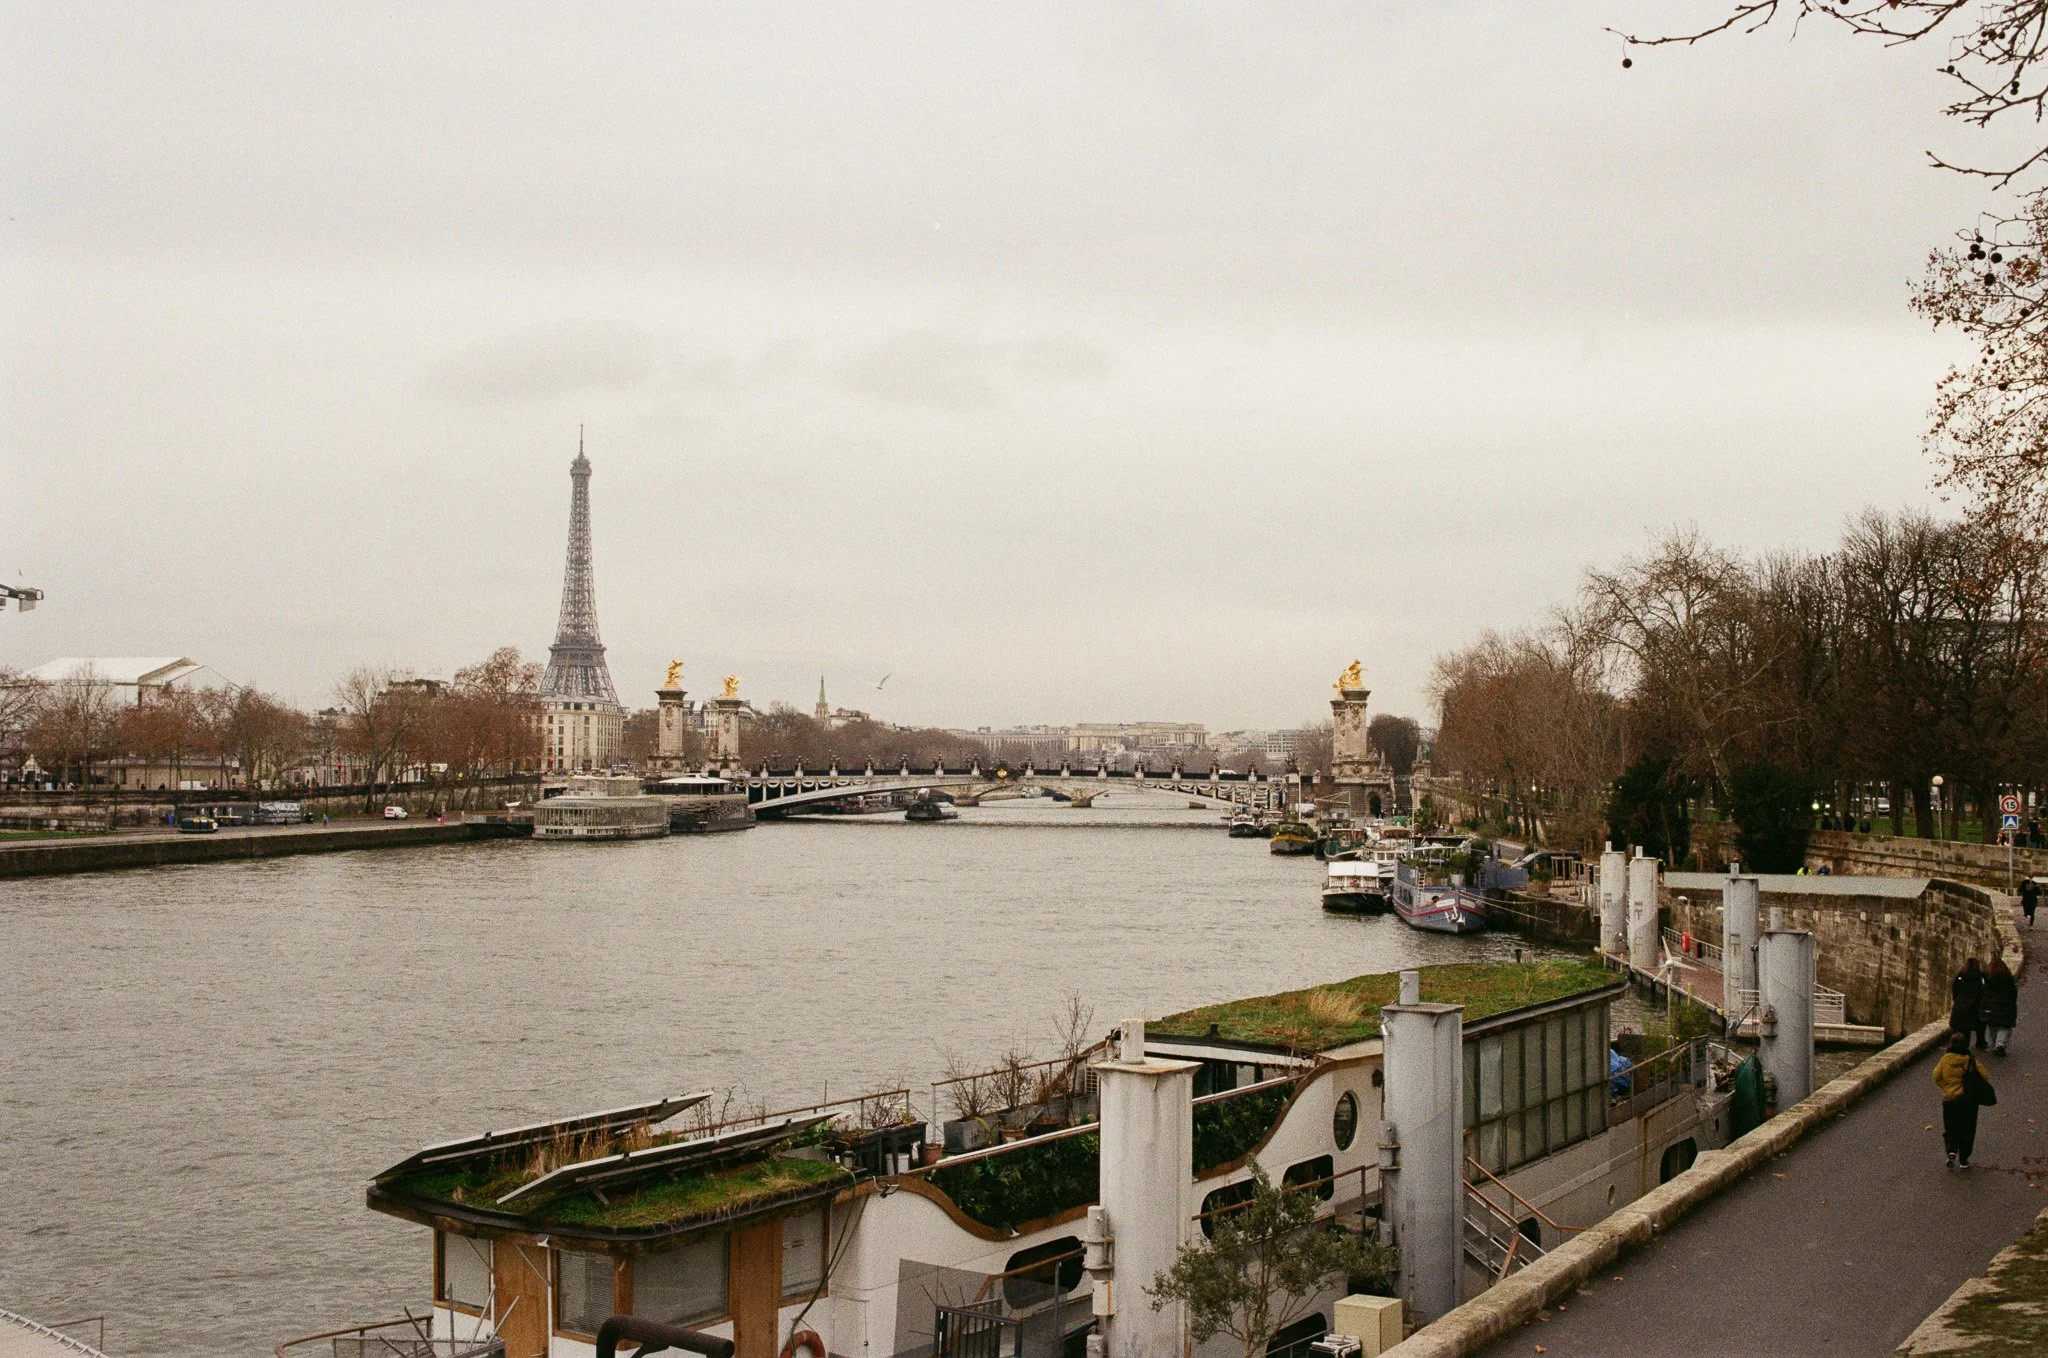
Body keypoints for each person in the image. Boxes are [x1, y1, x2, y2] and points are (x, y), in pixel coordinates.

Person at [1934, 1031, 1994, 1168]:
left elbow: (1936, 1075)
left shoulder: (1945, 1059)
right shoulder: (1969, 1059)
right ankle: (1964, 1159)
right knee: (1968, 1128)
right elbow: (1985, 1076)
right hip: (1968, 1100)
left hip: (1950, 1099)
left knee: (1951, 1126)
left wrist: (1946, 1087)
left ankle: (1951, 1149)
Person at [1985, 957, 2019, 1056]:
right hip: (2006, 1006)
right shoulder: (2009, 979)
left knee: (1993, 1026)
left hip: (1992, 1006)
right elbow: (2014, 993)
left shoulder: (1990, 979)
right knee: (2004, 1026)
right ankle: (2000, 1045)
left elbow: (1986, 993)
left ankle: (1993, 1044)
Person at [1953, 958, 1989, 1050]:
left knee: (1965, 1026)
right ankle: (1980, 1042)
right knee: (1980, 1025)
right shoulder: (1981, 976)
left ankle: (1964, 1045)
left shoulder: (1961, 976)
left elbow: (1955, 988)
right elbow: (1986, 988)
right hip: (1977, 1004)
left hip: (1962, 1003)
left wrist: (1957, 999)